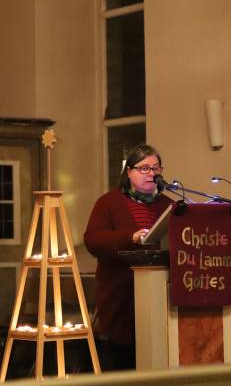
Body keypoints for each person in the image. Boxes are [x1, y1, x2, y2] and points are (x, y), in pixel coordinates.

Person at [84, 144, 173, 371]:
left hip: (163, 298)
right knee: (125, 364)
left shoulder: (168, 205)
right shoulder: (109, 203)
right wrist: (131, 236)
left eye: (155, 168)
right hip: (122, 298)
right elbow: (93, 240)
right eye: (144, 168)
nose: (152, 173)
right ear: (129, 171)